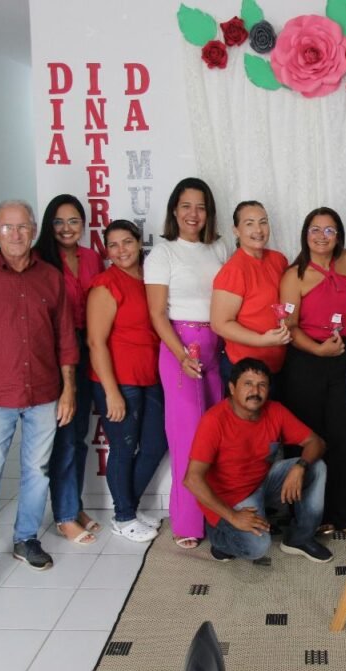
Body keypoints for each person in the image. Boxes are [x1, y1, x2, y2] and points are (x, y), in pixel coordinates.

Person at [0, 199, 78, 597]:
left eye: (23, 227)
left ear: (34, 231)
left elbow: (65, 339)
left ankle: (26, 539)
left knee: (37, 472)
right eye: (8, 227)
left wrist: (69, 389)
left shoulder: (50, 276)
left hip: (44, 392)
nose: (16, 234)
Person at [279, 207, 346, 538]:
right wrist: (317, 349)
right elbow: (290, 326)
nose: (322, 236)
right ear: (305, 234)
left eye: (329, 230)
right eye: (315, 229)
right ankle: (309, 514)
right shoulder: (294, 275)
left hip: (344, 358)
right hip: (305, 359)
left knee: (342, 436)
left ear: (339, 236)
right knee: (307, 437)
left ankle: (343, 512)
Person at [146, 178, 231, 549]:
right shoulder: (162, 253)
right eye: (185, 206)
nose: (193, 214)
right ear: (174, 210)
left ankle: (217, 516)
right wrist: (181, 355)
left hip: (217, 347)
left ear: (209, 212)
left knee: (217, 435)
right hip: (180, 348)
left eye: (200, 207)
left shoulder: (220, 247)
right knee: (188, 438)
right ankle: (187, 523)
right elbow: (156, 313)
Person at [184, 358, 332, 563]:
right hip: (231, 499)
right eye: (248, 384)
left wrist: (300, 467)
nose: (255, 391)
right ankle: (219, 537)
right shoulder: (214, 421)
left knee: (316, 466)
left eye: (262, 385)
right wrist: (233, 517)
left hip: (262, 483)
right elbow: (192, 479)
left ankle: (299, 538)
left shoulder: (275, 410)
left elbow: (316, 442)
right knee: (257, 547)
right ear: (232, 388)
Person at [87, 220, 167, 543]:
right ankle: (123, 517)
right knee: (123, 447)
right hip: (119, 382)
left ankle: (128, 507)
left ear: (139, 242)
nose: (121, 250)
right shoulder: (106, 285)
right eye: (113, 245)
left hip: (151, 377)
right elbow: (96, 342)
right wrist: (111, 393)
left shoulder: (150, 278)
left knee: (155, 444)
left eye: (127, 242)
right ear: (107, 251)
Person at [34, 194, 105, 545]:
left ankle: (73, 506)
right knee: (63, 436)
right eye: (59, 222)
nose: (66, 228)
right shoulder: (39, 259)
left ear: (84, 224)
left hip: (88, 348)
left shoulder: (92, 257)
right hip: (56, 351)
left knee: (78, 436)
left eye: (73, 221)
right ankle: (63, 516)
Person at [211, 201, 291, 387]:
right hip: (245, 370)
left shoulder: (278, 260)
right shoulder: (234, 270)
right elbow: (220, 324)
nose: (258, 229)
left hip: (277, 364)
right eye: (249, 223)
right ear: (236, 231)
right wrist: (262, 340)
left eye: (263, 222)